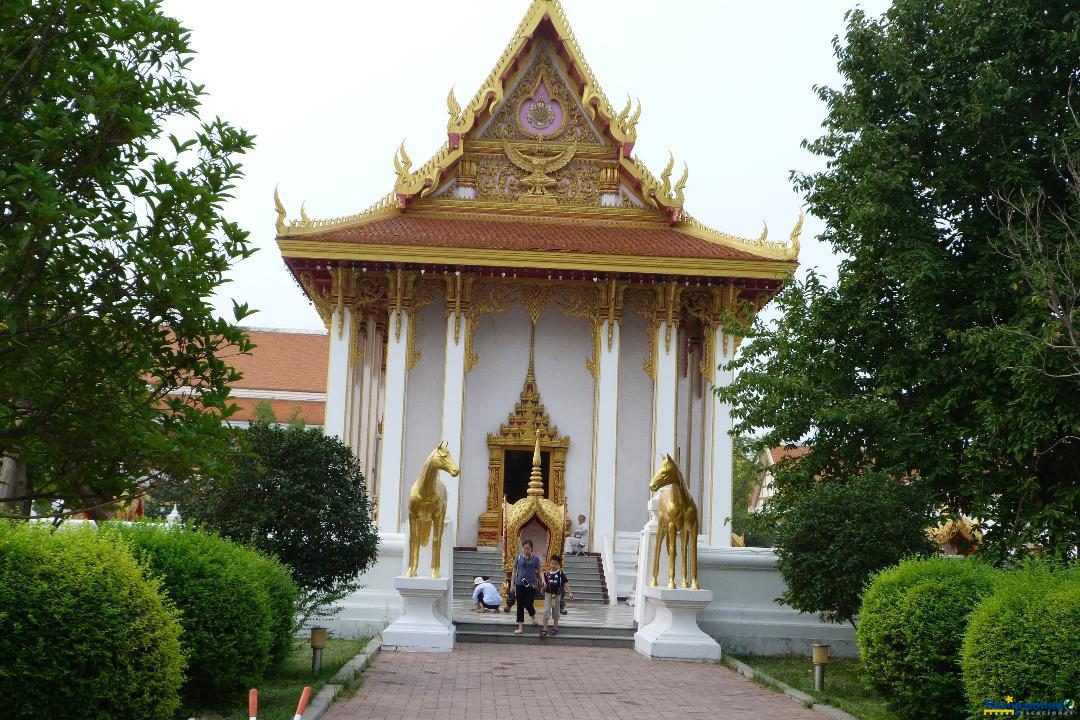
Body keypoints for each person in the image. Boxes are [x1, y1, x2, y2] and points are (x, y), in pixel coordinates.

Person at [511, 539, 541, 635]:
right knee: (520, 605)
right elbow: (514, 571)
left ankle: (533, 617)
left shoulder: (535, 559)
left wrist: (543, 580)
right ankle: (520, 627)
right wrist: (512, 584)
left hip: (530, 584)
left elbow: (540, 571)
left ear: (531, 549)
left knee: (528, 603)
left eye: (528, 549)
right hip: (520, 584)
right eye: (524, 548)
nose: (526, 550)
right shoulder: (518, 558)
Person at [540, 554, 573, 637]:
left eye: (555, 564)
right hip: (548, 595)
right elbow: (546, 584)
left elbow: (565, 583)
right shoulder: (547, 574)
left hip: (557, 595)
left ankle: (555, 628)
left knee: (556, 612)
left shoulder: (560, 574)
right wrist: (542, 589)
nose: (553, 565)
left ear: (558, 565)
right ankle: (544, 629)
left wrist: (570, 592)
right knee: (546, 611)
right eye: (552, 563)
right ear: (549, 563)